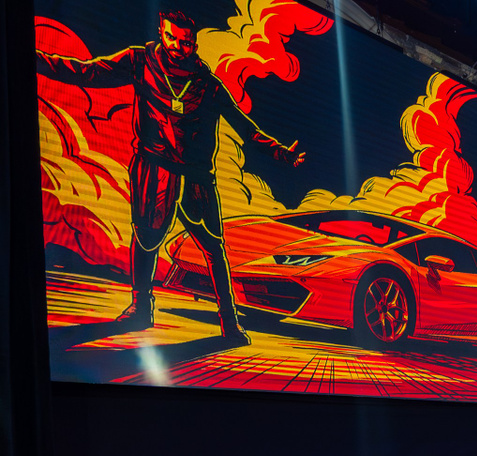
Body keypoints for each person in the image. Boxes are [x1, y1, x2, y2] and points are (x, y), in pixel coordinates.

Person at [37, 11, 306, 342]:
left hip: (196, 177)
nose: (179, 46)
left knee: (213, 248)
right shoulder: (141, 61)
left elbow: (245, 128)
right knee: (145, 239)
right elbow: (87, 72)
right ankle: (141, 308)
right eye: (172, 38)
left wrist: (281, 152)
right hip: (153, 169)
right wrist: (37, 60)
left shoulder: (207, 85)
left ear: (194, 43)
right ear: (162, 34)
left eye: (186, 42)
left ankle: (230, 322)